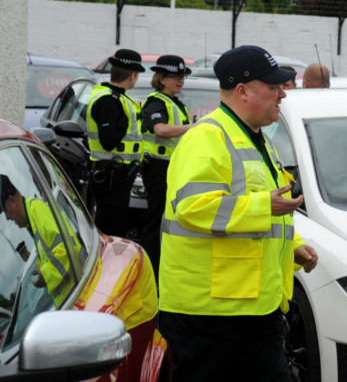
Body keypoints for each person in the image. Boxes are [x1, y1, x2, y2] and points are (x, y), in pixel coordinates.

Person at [158, 44, 319, 382]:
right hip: (208, 316)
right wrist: (265, 206)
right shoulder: (207, 138)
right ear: (243, 91)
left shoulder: (255, 138)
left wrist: (293, 247)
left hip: (252, 310)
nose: (282, 96)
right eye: (273, 87)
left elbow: (264, 215)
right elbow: (192, 208)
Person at [140, 55, 193, 280]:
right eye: (175, 77)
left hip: (171, 168)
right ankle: (150, 269)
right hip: (158, 169)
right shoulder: (156, 102)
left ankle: (162, 264)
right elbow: (160, 129)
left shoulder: (175, 103)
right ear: (161, 79)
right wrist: (193, 127)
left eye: (182, 77)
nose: (180, 81)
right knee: (157, 220)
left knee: (166, 218)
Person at [86, 48, 145, 238]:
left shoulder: (116, 98)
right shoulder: (109, 101)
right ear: (133, 75)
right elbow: (108, 141)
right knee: (110, 232)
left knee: (112, 228)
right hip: (111, 178)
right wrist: (123, 122)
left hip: (115, 177)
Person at [0, 174, 80, 307]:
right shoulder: (33, 217)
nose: (7, 218)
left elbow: (68, 248)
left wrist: (46, 274)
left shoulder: (37, 210)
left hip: (81, 297)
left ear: (13, 201)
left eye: (5, 211)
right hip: (76, 299)